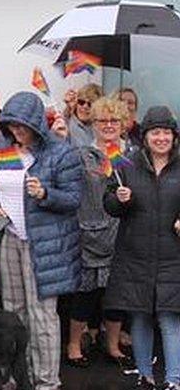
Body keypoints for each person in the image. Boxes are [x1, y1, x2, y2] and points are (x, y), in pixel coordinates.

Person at [0, 91, 84, 390]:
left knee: (42, 315)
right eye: (12, 126)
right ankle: (21, 377)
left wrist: (45, 194)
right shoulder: (2, 149)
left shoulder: (61, 153)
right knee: (13, 313)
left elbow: (73, 198)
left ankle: (48, 384)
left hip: (45, 244)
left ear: (36, 123)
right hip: (11, 238)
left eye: (23, 126)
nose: (17, 132)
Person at [104, 106, 180, 390]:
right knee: (138, 316)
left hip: (173, 257)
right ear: (145, 136)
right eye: (154, 132)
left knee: (169, 318)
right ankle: (147, 380)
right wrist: (118, 199)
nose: (161, 138)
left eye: (166, 132)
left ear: (174, 136)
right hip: (134, 255)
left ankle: (175, 384)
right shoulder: (126, 164)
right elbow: (109, 203)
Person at [67, 97, 133, 370]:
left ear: (123, 124)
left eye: (114, 120)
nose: (108, 125)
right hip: (90, 234)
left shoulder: (131, 156)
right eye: (102, 121)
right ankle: (73, 344)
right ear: (92, 124)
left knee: (116, 294)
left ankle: (113, 344)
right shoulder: (82, 155)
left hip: (123, 235)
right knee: (86, 293)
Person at [64, 83, 103, 148]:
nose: (85, 107)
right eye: (81, 102)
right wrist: (69, 108)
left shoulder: (100, 127)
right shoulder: (67, 124)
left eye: (90, 104)